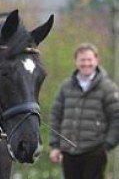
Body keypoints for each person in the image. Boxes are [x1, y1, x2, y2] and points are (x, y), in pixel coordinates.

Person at [49, 43, 119, 179]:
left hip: (95, 152)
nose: (86, 63)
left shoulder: (108, 88)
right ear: (76, 61)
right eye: (82, 60)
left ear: (96, 61)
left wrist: (107, 145)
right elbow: (55, 115)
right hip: (68, 152)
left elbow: (116, 117)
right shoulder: (65, 87)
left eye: (89, 59)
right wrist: (55, 145)